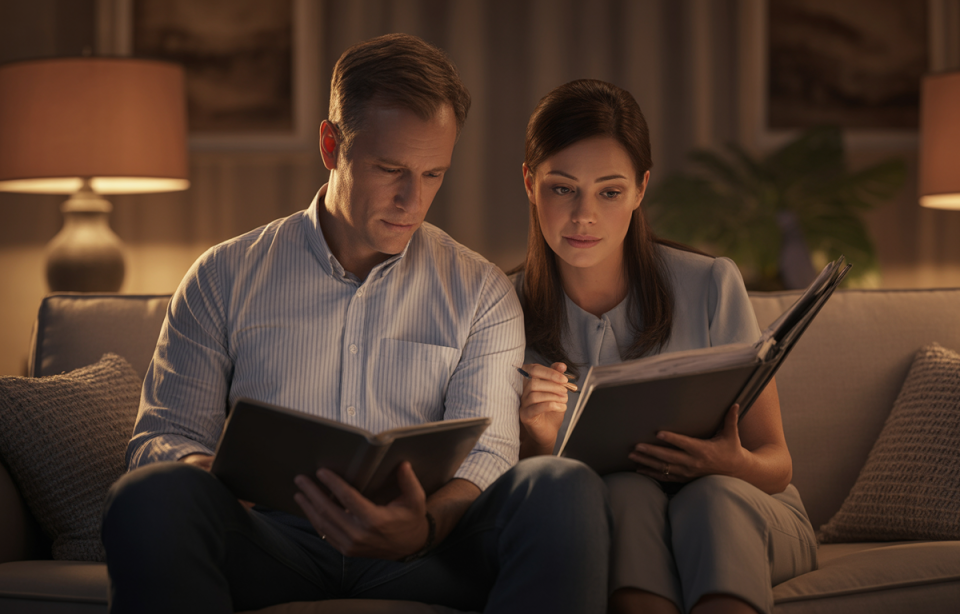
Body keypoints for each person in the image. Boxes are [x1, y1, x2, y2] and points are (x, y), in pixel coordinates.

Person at [102, 34, 610, 614]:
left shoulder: (480, 290)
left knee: (562, 490)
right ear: (330, 144)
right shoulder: (222, 276)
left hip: (426, 552)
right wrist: (212, 475)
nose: (410, 200)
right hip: (269, 545)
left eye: (432, 175)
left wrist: (421, 527)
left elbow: (489, 454)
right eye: (389, 168)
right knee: (150, 494)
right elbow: (161, 437)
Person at [512, 79, 817, 614]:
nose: (584, 215)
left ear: (640, 189)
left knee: (710, 498)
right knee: (624, 495)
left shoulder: (710, 285)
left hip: (741, 509)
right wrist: (537, 443)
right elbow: (514, 499)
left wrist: (728, 462)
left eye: (609, 191)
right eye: (562, 188)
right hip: (621, 523)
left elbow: (777, 465)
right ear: (530, 184)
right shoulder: (500, 309)